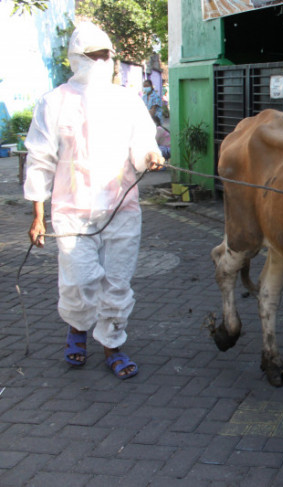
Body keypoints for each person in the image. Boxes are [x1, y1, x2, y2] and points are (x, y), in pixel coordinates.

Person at [23, 22, 165, 380]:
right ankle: (77, 328)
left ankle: (112, 343)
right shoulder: (53, 103)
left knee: (117, 282)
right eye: (94, 55)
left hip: (122, 208)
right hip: (72, 211)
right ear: (76, 58)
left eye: (106, 55)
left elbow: (142, 142)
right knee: (79, 280)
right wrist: (38, 215)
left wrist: (150, 155)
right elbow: (40, 160)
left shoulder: (126, 101)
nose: (102, 61)